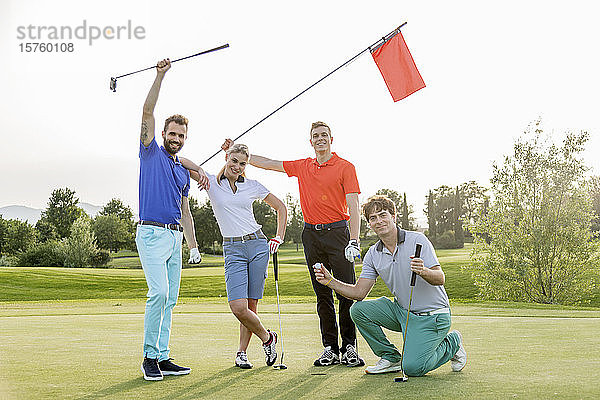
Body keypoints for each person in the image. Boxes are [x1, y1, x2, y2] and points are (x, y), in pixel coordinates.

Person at [223, 121, 364, 367]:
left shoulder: (345, 167)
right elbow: (269, 163)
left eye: (324, 135)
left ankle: (349, 346)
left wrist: (354, 239)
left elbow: (353, 204)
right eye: (315, 136)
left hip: (339, 232)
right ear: (311, 141)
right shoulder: (303, 166)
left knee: (345, 291)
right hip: (312, 235)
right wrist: (237, 151)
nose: (320, 139)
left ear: (331, 138)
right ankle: (330, 348)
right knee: (322, 294)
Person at [313, 195, 467, 376]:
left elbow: (440, 278)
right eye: (373, 218)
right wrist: (330, 281)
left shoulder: (418, 240)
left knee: (412, 368)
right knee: (358, 310)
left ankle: (453, 342)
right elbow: (359, 293)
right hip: (402, 312)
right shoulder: (373, 253)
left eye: (383, 215)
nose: (378, 221)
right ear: (369, 224)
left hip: (432, 316)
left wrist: (424, 271)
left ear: (393, 217)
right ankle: (390, 357)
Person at [180, 143, 287, 369]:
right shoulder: (210, 182)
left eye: (242, 163)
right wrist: (200, 172)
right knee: (239, 307)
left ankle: (242, 353)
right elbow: (179, 160)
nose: (237, 166)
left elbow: (281, 207)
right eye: (234, 161)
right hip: (232, 249)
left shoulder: (252, 186)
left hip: (257, 245)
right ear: (226, 157)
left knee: (251, 305)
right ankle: (268, 338)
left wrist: (278, 236)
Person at [137, 58, 205, 381]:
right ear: (163, 133)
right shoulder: (150, 151)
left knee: (171, 298)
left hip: (175, 237)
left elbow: (185, 211)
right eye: (172, 133)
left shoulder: (181, 171)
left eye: (181, 135)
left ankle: (163, 356)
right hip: (150, 234)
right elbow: (147, 113)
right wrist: (160, 77)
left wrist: (192, 245)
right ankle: (149, 356)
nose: (176, 138)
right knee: (159, 293)